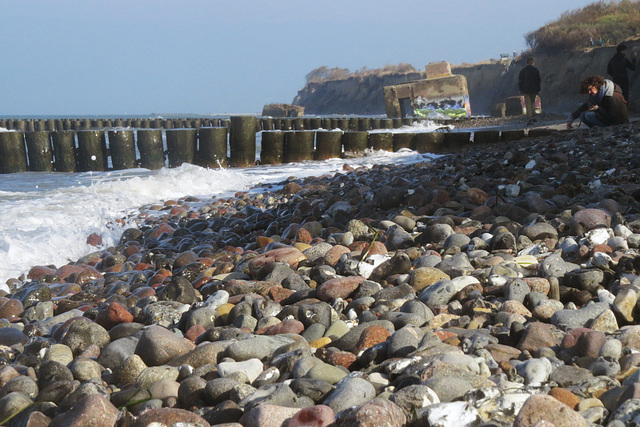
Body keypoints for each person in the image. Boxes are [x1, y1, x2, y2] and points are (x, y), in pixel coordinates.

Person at [518, 57, 541, 123]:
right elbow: (538, 81)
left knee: (527, 103)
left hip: (526, 89)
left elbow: (520, 81)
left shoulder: (523, 71)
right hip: (534, 89)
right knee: (533, 101)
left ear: (527, 63)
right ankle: (533, 114)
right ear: (533, 63)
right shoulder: (536, 70)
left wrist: (521, 89)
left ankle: (529, 116)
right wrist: (538, 89)